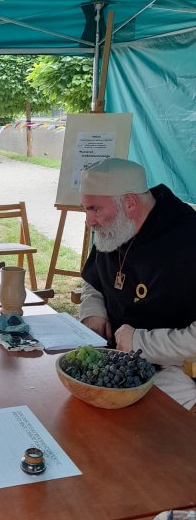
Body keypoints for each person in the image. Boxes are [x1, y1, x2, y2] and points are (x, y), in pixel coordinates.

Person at [79, 157, 196, 410]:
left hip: (173, 367)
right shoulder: (115, 228)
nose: (89, 221)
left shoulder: (188, 241)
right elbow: (93, 281)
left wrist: (141, 343)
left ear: (129, 203)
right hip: (112, 355)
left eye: (94, 209)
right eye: (86, 209)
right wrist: (93, 312)